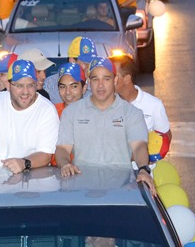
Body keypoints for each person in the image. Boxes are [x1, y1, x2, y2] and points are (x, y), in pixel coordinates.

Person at [55, 57, 156, 196]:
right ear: (89, 82)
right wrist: (65, 164)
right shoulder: (71, 112)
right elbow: (62, 148)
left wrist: (143, 170)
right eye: (95, 79)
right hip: (81, 191)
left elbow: (139, 146)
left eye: (106, 79)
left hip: (121, 191)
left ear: (115, 80)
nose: (100, 85)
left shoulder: (132, 113)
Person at [0, 60, 59, 179]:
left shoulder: (47, 110)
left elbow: (45, 154)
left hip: (32, 182)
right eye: (19, 86)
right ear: (9, 85)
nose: (25, 92)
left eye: (30, 85)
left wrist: (23, 163)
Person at [109, 54, 172, 145]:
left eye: (113, 75)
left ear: (127, 78)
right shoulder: (105, 104)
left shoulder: (154, 105)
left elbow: (165, 139)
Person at [43, 35, 97, 104]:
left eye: (92, 62)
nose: (89, 67)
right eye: (85, 63)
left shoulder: (97, 86)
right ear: (72, 61)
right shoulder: (49, 86)